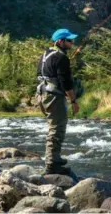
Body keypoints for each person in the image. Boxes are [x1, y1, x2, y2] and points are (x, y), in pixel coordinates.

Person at [36, 28, 80, 175]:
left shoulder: (44, 55)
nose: (73, 43)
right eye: (69, 41)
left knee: (53, 128)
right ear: (60, 41)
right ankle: (52, 164)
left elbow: (40, 74)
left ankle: (54, 160)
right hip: (54, 97)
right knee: (57, 129)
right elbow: (65, 82)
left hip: (42, 95)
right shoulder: (61, 58)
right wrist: (73, 101)